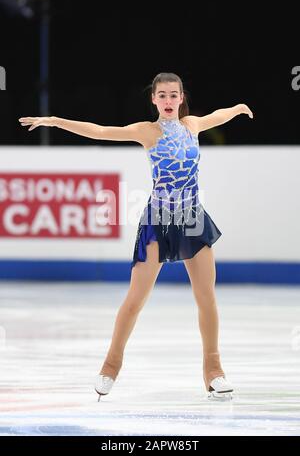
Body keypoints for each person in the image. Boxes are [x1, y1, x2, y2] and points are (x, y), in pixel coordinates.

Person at [19, 72, 253, 401]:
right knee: (135, 300)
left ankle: (214, 372)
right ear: (154, 100)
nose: (169, 101)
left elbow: (219, 115)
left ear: (181, 98)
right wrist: (56, 120)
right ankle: (110, 366)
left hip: (193, 219)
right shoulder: (147, 131)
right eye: (163, 96)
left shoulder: (193, 126)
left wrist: (237, 108)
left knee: (207, 298)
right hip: (158, 220)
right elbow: (100, 131)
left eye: (174, 95)